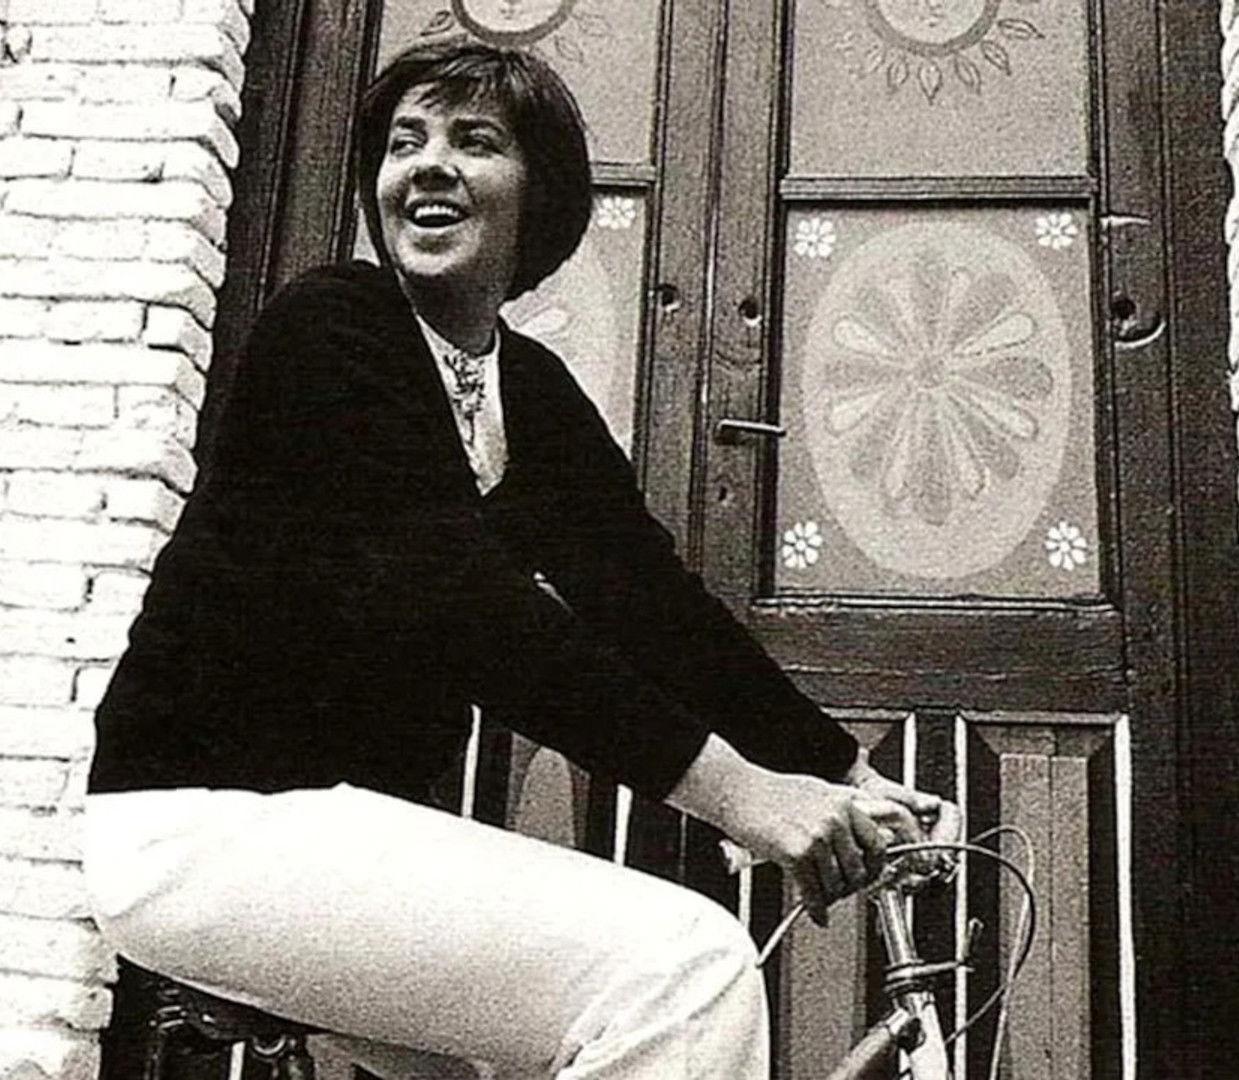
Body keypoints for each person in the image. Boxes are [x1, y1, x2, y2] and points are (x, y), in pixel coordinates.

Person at [83, 39, 959, 1079]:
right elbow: (458, 598)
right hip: (211, 824)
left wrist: (843, 773)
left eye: (475, 141)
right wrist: (741, 796)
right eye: (404, 142)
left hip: (348, 840)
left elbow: (654, 609)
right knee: (684, 972)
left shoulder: (529, 391)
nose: (429, 164)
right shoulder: (329, 328)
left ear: (539, 196)